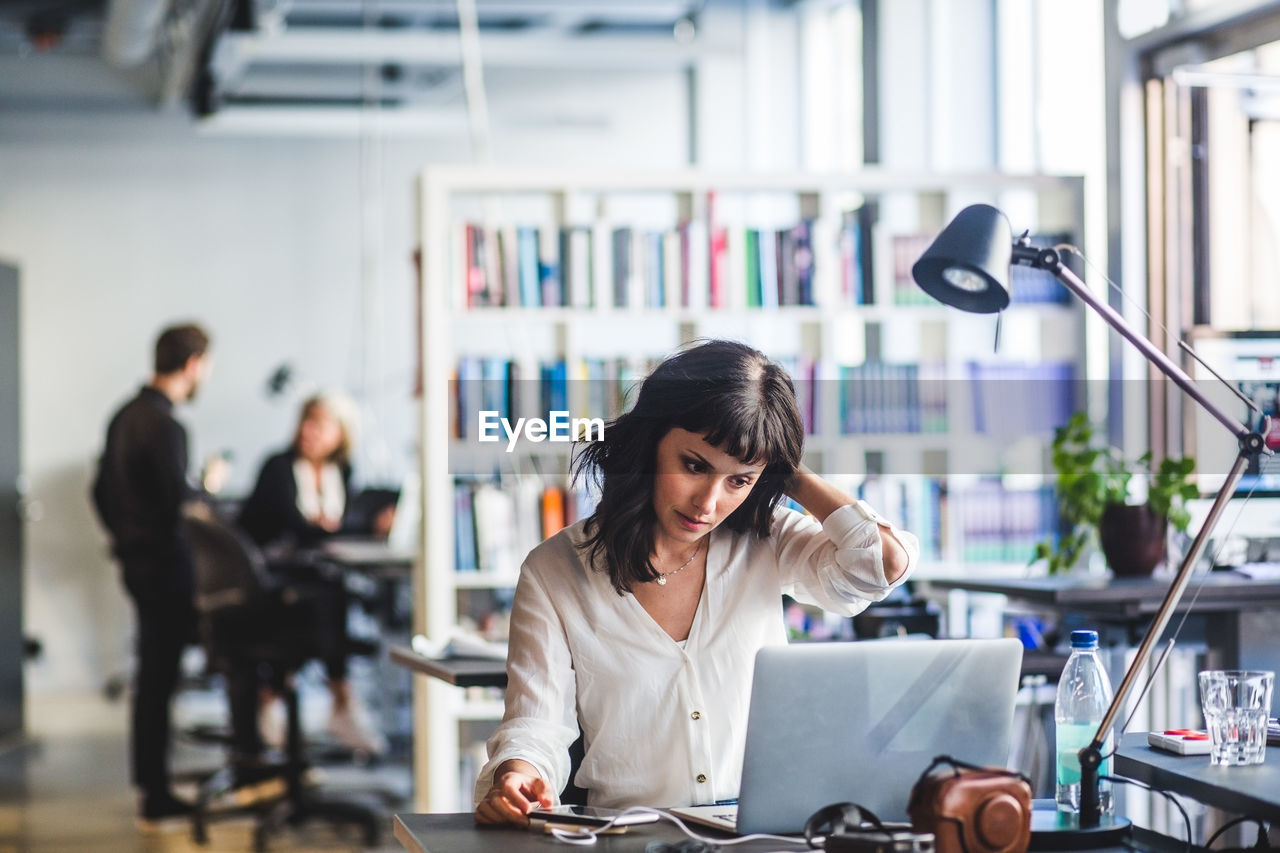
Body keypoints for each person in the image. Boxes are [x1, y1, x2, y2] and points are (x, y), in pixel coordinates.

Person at [472, 339, 919, 825]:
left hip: (761, 832)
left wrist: (784, 470)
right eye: (694, 465)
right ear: (649, 443)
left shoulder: (767, 538)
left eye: (739, 480)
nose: (708, 502)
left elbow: (881, 565)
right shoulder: (555, 571)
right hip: (632, 835)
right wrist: (517, 773)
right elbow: (536, 724)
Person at [91, 322, 211, 825]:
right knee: (160, 679)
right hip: (165, 569)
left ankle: (151, 786)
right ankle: (157, 795)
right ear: (192, 365)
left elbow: (99, 491)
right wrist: (205, 488)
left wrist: (123, 536)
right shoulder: (166, 426)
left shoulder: (124, 415)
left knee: (152, 678)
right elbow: (176, 505)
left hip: (136, 564)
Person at [236, 392, 389, 755]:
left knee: (330, 594)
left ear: (341, 433)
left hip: (312, 578)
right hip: (267, 580)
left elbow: (333, 528)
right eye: (306, 420)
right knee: (325, 602)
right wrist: (364, 525)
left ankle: (291, 698)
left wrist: (359, 523)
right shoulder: (277, 467)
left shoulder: (343, 471)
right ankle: (330, 700)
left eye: (320, 423)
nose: (309, 430)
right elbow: (299, 528)